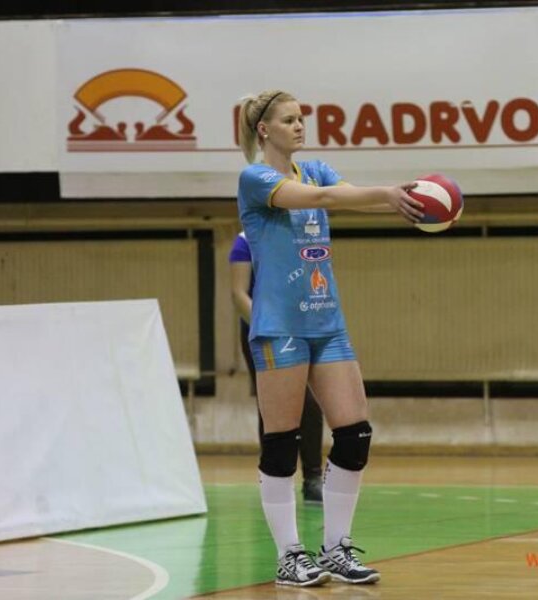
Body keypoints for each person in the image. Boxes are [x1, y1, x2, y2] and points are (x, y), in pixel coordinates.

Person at [236, 89, 423, 587]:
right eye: (289, 120)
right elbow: (321, 200)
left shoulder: (316, 169)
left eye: (302, 118)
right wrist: (384, 193)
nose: (300, 126)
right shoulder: (256, 179)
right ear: (264, 130)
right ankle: (289, 555)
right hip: (280, 326)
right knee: (282, 442)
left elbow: (349, 196)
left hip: (327, 323)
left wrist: (409, 203)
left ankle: (336, 548)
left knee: (354, 434)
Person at [229, 230, 325, 504]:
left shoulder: (301, 238)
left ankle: (313, 478)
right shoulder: (245, 240)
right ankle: (275, 479)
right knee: (272, 405)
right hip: (262, 332)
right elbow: (238, 294)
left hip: (300, 328)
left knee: (310, 403)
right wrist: (270, 326)